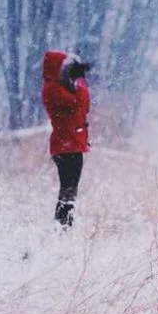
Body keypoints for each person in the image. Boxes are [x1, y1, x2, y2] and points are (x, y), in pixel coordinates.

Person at [41, 50, 91, 228]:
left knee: (69, 190)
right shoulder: (53, 89)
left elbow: (83, 108)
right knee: (68, 190)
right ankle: (62, 226)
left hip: (71, 144)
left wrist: (76, 82)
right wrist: (80, 82)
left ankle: (64, 225)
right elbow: (79, 103)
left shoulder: (60, 88)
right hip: (67, 146)